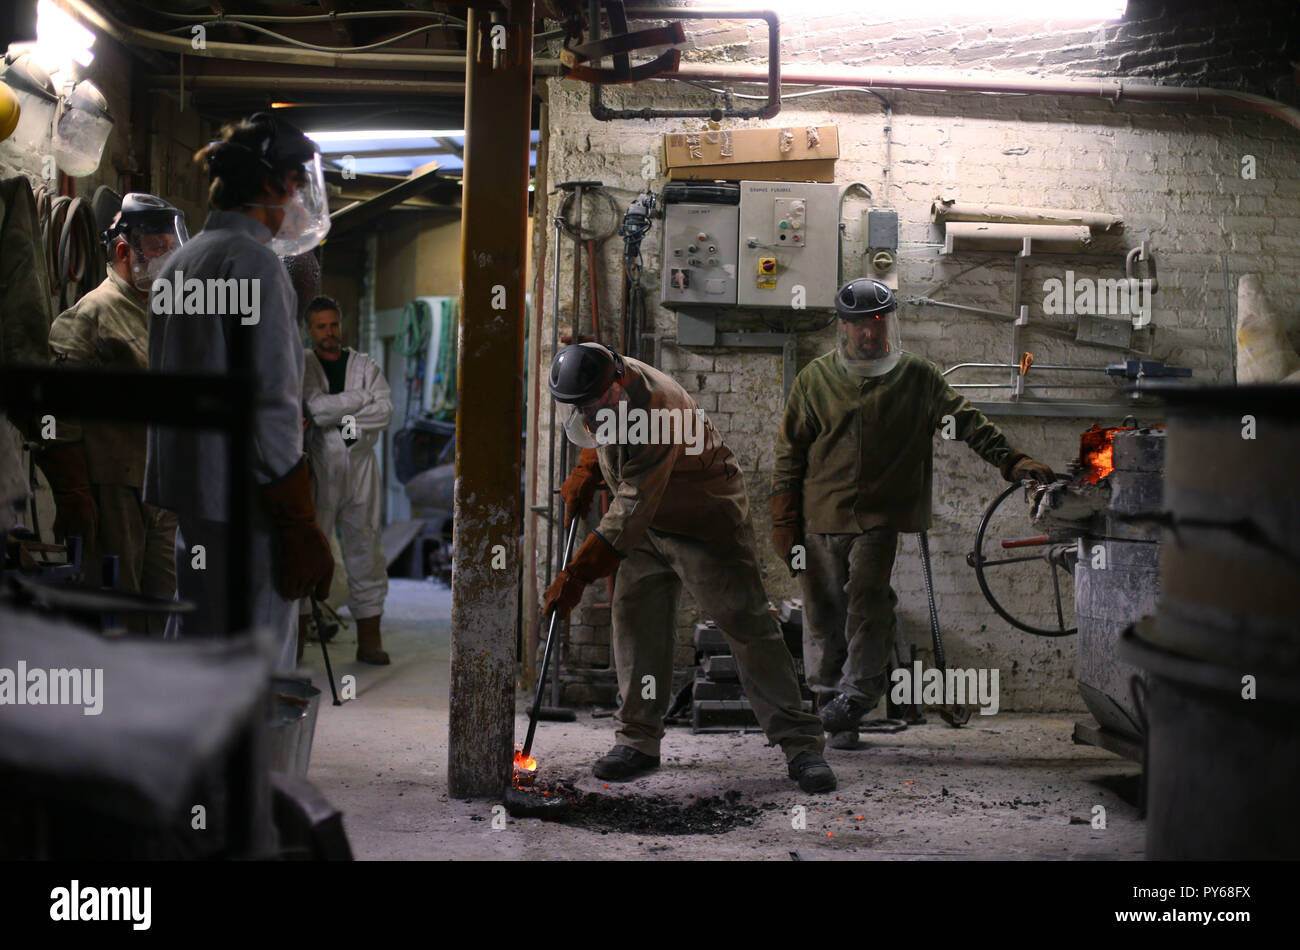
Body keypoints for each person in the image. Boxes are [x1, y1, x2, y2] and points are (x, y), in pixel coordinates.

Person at [771, 277, 1056, 747]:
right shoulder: (815, 380)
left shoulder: (916, 376)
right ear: (843, 327)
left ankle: (857, 697)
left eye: (879, 323)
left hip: (879, 517)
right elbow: (789, 451)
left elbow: (965, 421)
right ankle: (830, 706)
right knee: (823, 613)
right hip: (820, 515)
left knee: (867, 601)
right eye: (861, 325)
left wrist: (1010, 459)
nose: (870, 334)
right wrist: (783, 517)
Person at [545, 342, 836, 793]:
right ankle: (638, 740)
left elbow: (632, 506)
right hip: (645, 526)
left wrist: (577, 575)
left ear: (617, 380)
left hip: (704, 520)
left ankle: (802, 745)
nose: (588, 412)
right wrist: (588, 467)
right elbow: (603, 434)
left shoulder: (659, 410)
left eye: (593, 402)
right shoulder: (602, 387)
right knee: (636, 626)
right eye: (578, 407)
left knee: (748, 626)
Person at [145, 113, 334, 670]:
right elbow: (272, 402)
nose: (299, 199)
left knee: (197, 643)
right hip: (252, 505)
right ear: (273, 183)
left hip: (196, 501)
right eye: (297, 184)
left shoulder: (180, 263)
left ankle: (181, 755)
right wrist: (298, 519)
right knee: (254, 664)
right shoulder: (255, 263)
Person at [36, 194, 186, 630]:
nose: (170, 261)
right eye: (160, 250)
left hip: (163, 492)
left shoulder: (162, 312)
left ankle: (158, 697)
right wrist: (73, 496)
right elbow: (51, 420)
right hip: (112, 495)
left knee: (166, 614)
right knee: (118, 616)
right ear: (125, 252)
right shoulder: (90, 317)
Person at [299, 296, 394, 665]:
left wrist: (337, 414)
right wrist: (358, 401)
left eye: (333, 325)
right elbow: (314, 409)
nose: (329, 333)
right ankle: (297, 637)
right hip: (320, 465)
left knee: (366, 547)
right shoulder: (305, 365)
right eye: (321, 326)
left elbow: (384, 410)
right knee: (309, 548)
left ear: (341, 325)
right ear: (310, 330)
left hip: (361, 466)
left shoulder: (365, 364)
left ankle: (369, 641)